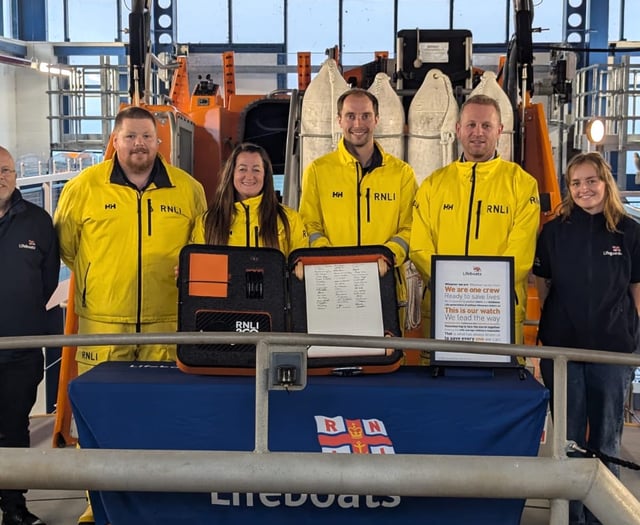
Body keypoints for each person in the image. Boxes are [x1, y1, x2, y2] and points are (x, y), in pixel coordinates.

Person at [54, 106, 206, 525]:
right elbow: (68, 246)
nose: (139, 144)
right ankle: (97, 502)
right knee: (99, 415)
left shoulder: (188, 190)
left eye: (146, 137)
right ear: (115, 141)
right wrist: (101, 282)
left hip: (165, 323)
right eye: (130, 137)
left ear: (159, 142)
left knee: (161, 411)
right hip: (102, 323)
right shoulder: (84, 187)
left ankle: (156, 499)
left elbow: (199, 251)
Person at [534, 152, 640, 525]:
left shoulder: (629, 231)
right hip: (563, 349)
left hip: (612, 351)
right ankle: (570, 517)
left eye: (591, 180)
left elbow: (636, 289)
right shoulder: (554, 231)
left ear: (605, 181)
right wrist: (548, 335)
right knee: (568, 440)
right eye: (576, 183)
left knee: (607, 441)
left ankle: (604, 517)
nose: (584, 189)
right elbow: (544, 285)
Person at [410, 94, 540, 345]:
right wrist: (453, 290)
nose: (478, 132)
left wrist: (479, 293)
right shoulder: (433, 184)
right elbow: (419, 247)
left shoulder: (522, 184)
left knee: (497, 383)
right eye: (471, 125)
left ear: (500, 130)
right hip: (443, 310)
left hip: (497, 312)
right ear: (458, 129)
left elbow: (521, 254)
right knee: (439, 380)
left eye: (486, 125)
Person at [298, 88, 417, 314]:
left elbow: (411, 227)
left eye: (366, 116)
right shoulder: (318, 171)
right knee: (338, 349)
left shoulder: (401, 174)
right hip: (332, 282)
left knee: (385, 350)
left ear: (377, 120)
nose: (358, 123)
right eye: (351, 116)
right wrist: (332, 259)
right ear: (339, 121)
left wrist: (388, 255)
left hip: (385, 282)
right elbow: (308, 225)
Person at [0, 146, 58, 525]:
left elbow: (48, 280)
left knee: (14, 428)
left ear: (15, 175)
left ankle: (13, 506)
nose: (0, 176)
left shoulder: (37, 222)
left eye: (5, 169)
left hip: (18, 349)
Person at [191, 142, 307, 255]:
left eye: (256, 170)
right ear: (231, 173)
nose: (249, 176)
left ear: (265, 175)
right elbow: (196, 268)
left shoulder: (290, 219)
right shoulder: (207, 222)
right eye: (242, 169)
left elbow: (301, 263)